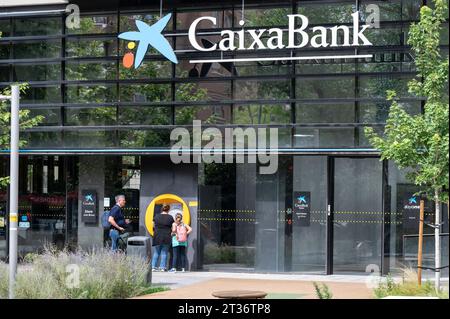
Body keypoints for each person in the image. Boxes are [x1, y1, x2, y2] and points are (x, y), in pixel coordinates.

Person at [151, 204, 174, 271]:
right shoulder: (170, 217)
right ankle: (162, 267)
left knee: (156, 252)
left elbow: (153, 225)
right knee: (164, 252)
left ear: (162, 209)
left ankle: (153, 267)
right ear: (168, 209)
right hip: (166, 236)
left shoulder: (156, 216)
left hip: (157, 236)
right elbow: (173, 227)